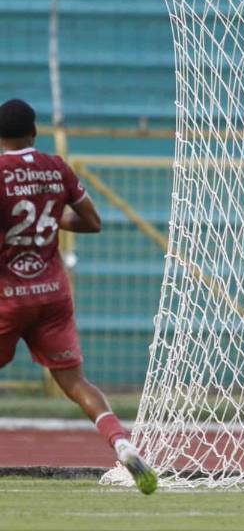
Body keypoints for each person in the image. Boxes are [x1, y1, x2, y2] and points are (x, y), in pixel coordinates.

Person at [0, 98, 157, 495]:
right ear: (35, 132)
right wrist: (50, 223)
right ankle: (122, 443)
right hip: (52, 294)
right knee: (74, 381)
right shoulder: (57, 168)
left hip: (8, 294)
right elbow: (92, 221)